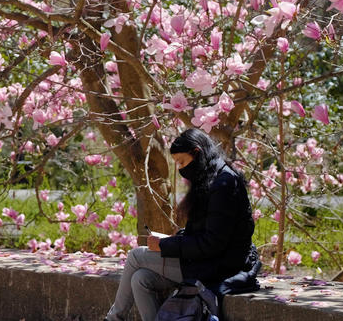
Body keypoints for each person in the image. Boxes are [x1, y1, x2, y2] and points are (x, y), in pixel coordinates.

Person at [105, 128, 258, 321]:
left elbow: (212, 244)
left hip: (220, 265)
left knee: (135, 256)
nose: (180, 168)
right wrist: (175, 239)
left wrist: (166, 245)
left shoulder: (224, 184)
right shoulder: (210, 177)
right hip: (207, 260)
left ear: (197, 152)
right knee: (140, 279)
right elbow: (205, 230)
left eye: (182, 162)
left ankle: (112, 319)